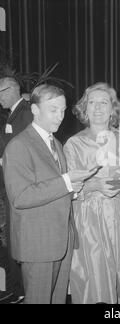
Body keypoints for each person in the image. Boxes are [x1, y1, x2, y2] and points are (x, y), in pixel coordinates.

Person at [63, 82, 120, 304]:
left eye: (103, 102)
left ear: (112, 109)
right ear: (85, 109)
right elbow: (67, 188)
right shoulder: (73, 144)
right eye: (91, 103)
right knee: (94, 283)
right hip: (89, 220)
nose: (97, 108)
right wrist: (94, 185)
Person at [2, 84, 93, 304]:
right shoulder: (19, 145)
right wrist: (66, 181)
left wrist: (72, 191)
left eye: (62, 110)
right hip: (38, 242)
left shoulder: (56, 143)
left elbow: (53, 188)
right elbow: (20, 197)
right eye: (53, 109)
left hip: (60, 240)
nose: (60, 116)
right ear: (34, 110)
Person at [0, 77, 33, 303]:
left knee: (18, 238)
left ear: (12, 89)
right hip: (10, 186)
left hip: (19, 187)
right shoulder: (14, 112)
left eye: (0, 92)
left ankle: (23, 289)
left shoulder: (27, 112)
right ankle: (17, 288)